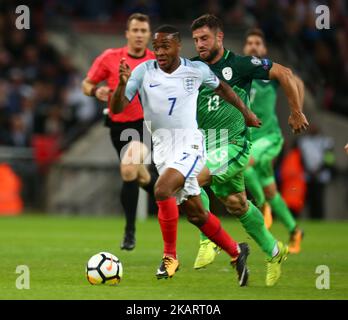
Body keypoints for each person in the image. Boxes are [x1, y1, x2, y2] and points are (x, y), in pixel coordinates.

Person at [110, 25, 262, 286]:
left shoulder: (196, 70)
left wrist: (245, 113)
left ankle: (170, 257)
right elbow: (117, 108)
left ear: (178, 47)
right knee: (196, 214)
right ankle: (237, 252)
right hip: (163, 150)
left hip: (190, 146)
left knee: (162, 189)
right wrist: (122, 84)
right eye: (156, 47)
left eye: (165, 47)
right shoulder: (142, 72)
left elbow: (224, 88)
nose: (159, 52)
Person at [190, 14, 309, 286]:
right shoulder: (192, 67)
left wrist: (295, 111)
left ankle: (208, 239)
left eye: (205, 38)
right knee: (237, 204)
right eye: (196, 39)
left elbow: (284, 72)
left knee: (191, 179)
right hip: (208, 145)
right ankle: (275, 251)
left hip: (234, 144)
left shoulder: (240, 65)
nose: (199, 44)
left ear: (219, 37)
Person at [82, 13, 157, 250]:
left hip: (145, 125)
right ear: (127, 33)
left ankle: (129, 233)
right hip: (117, 126)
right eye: (135, 30)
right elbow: (86, 84)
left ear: (148, 35)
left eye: (143, 31)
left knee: (127, 168)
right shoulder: (110, 58)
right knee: (138, 175)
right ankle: (175, 199)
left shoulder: (156, 62)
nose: (139, 35)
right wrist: (96, 92)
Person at [242, 28, 304, 253]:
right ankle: (295, 230)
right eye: (249, 43)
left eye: (258, 42)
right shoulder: (242, 73)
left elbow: (297, 82)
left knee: (245, 165)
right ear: (244, 48)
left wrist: (298, 111)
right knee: (270, 188)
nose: (253, 46)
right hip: (251, 139)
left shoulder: (270, 72)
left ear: (264, 48)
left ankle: (263, 207)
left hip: (269, 137)